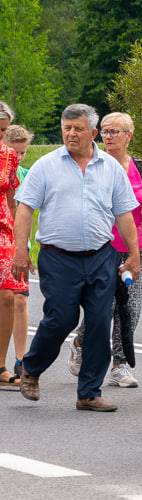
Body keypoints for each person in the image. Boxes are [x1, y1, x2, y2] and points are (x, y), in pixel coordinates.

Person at [12, 103, 141, 411]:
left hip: (100, 256)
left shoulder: (110, 167)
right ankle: (31, 368)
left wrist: (134, 255)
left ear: (93, 132)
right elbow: (25, 208)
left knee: (99, 321)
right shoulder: (46, 165)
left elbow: (124, 213)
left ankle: (89, 392)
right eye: (66, 128)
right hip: (58, 258)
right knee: (61, 318)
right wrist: (21, 250)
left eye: (78, 129)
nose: (71, 134)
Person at [68, 113, 142, 388]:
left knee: (130, 308)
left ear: (129, 135)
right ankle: (81, 341)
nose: (109, 136)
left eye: (115, 131)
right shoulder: (95, 166)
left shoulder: (139, 167)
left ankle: (120, 364)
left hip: (134, 247)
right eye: (105, 131)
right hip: (102, 247)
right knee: (103, 307)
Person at [2, 124, 33, 387]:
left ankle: (13, 362)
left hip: (9, 235)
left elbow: (18, 205)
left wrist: (21, 246)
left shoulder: (16, 165)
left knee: (15, 297)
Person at [0, 103, 25, 391]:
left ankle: (1, 365)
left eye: (4, 132)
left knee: (7, 296)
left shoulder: (8, 155)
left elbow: (11, 196)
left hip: (4, 229)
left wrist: (21, 239)